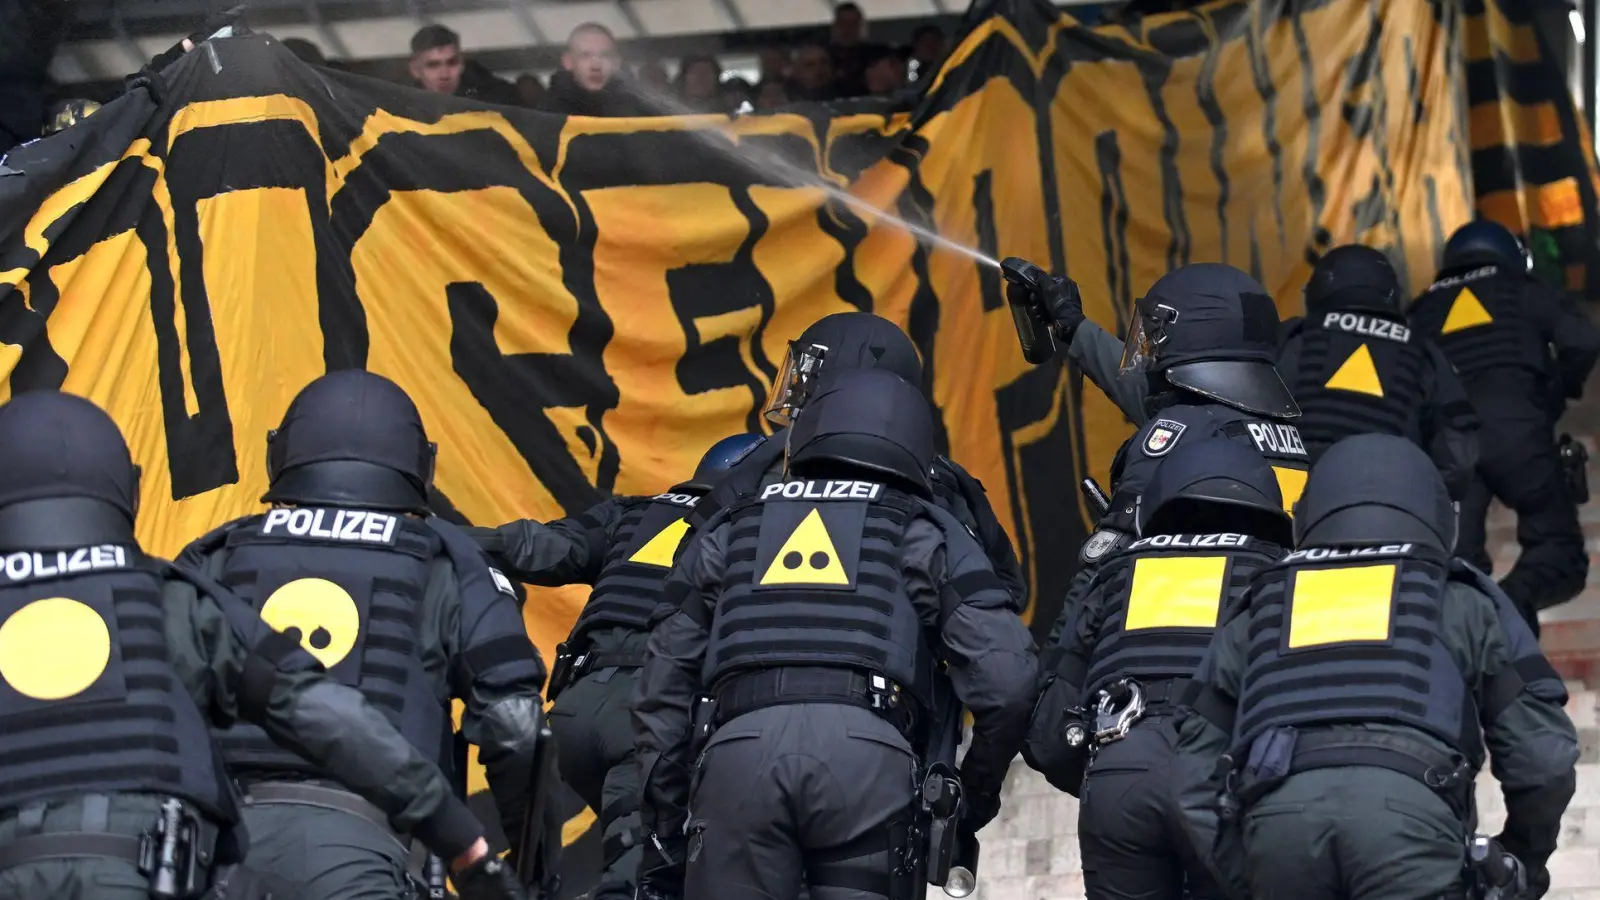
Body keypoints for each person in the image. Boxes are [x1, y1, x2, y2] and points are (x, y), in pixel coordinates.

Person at [0, 391, 524, 900]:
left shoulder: (213, 556)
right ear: (131, 493)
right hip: (173, 869)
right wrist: (462, 839)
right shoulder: (170, 601)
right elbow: (329, 715)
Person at [631, 368, 1038, 900]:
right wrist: (972, 797)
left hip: (738, 761)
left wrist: (667, 820)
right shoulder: (923, 529)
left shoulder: (731, 526)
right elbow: (1010, 680)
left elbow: (660, 685)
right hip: (868, 763)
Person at [176, 372, 549, 900]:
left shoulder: (215, 554)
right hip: (376, 854)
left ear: (277, 456)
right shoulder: (449, 562)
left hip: (219, 854)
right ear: (424, 466)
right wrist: (526, 865)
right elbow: (516, 727)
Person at [1173, 433, 1579, 900]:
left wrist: (1245, 875)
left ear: (1308, 517)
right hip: (1410, 828)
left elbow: (1192, 778)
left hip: (1279, 831)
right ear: (1439, 518)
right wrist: (1520, 862)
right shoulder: (1463, 599)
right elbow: (1544, 759)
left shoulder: (1260, 605)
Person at [464, 433, 764, 900]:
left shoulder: (632, 512)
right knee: (642, 870)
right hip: (648, 719)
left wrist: (445, 539)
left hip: (571, 714)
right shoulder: (756, 526)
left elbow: (538, 547)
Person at [1024, 438, 1291, 900]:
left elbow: (1048, 739)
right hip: (1223, 776)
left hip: (1119, 769)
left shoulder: (1115, 574)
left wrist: (1109, 770)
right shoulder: (1281, 574)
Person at [1008, 262, 1307, 638]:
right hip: (1269, 634)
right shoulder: (1281, 434)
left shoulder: (1185, 430)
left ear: (1182, 338)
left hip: (1194, 642)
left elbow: (1098, 578)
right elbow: (1149, 396)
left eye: (1153, 335)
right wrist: (1073, 325)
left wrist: (1050, 677)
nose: (1146, 350)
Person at [680, 311, 1027, 609]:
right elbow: (1003, 594)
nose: (797, 389)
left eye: (808, 378)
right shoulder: (944, 480)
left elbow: (692, 565)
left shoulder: (764, 463)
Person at [1409, 219, 1600, 629]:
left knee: (1454, 573)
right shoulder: (1521, 288)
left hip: (1451, 447)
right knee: (1558, 553)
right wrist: (1554, 394)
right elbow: (1582, 339)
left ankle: (1471, 652)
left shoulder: (1421, 308)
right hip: (1518, 432)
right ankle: (1513, 604)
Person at [1276, 244, 1480, 498]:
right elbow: (1458, 458)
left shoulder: (1293, 338)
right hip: (1385, 500)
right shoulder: (1423, 353)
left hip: (1289, 501)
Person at [540, 23, 647, 117]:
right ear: (568, 62)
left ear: (616, 63)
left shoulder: (638, 109)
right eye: (585, 56)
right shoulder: (547, 115)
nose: (596, 66)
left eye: (605, 55)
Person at [408, 25, 521, 106]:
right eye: (433, 65)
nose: (444, 75)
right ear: (415, 70)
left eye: (452, 63)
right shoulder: (401, 112)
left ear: (462, 64)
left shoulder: (495, 103)